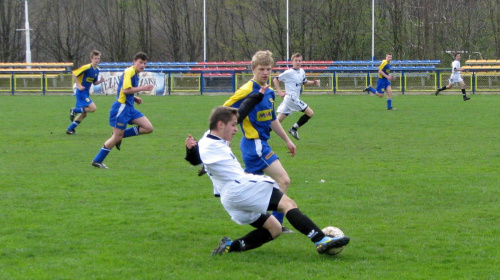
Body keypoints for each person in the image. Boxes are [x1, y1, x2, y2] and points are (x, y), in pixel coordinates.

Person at [197, 106, 350, 255]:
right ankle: (320, 239)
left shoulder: (210, 137)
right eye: (233, 125)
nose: (236, 129)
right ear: (220, 124)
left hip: (231, 197)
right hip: (239, 189)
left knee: (275, 229)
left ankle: (231, 246)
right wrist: (191, 153)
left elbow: (205, 157)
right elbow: (198, 156)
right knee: (288, 204)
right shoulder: (208, 145)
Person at [222, 50, 296, 233]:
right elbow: (223, 110)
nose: (265, 73)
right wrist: (225, 136)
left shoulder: (269, 92)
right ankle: (276, 224)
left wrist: (287, 139)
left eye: (268, 69)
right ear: (253, 69)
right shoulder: (247, 90)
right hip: (254, 144)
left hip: (260, 144)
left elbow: (272, 119)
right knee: (283, 181)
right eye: (261, 69)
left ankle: (256, 218)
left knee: (248, 189)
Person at [91, 51, 154, 169]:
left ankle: (119, 135)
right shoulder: (129, 71)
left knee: (148, 128)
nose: (143, 65)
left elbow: (123, 89)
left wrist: (134, 97)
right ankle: (97, 160)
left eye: (145, 63)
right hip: (121, 108)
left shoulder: (135, 72)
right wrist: (142, 88)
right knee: (116, 137)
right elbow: (125, 90)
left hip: (130, 108)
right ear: (134, 62)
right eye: (140, 62)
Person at [272, 53, 319, 141]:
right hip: (291, 98)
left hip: (291, 100)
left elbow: (304, 82)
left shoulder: (302, 71)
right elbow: (275, 79)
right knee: (310, 113)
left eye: (299, 60)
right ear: (292, 62)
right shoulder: (289, 72)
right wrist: (280, 92)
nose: (298, 62)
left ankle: (262, 136)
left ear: (302, 62)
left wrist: (313, 82)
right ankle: (293, 129)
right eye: (296, 61)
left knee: (277, 122)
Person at [66, 50, 105, 135]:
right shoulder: (87, 67)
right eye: (95, 58)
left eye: (98, 58)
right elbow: (74, 74)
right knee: (93, 108)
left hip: (86, 93)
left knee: (84, 114)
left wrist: (100, 81)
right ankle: (74, 110)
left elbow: (94, 83)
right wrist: (79, 85)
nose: (97, 60)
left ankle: (70, 129)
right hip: (81, 92)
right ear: (91, 59)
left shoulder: (97, 70)